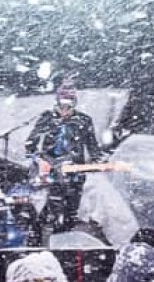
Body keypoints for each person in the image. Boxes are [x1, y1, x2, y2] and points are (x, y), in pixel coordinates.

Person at [25, 81, 103, 232]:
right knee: (53, 203)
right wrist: (39, 159)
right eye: (62, 106)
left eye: (69, 106)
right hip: (52, 168)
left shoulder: (83, 120)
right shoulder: (47, 118)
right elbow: (31, 143)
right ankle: (41, 231)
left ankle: (66, 233)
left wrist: (96, 160)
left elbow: (92, 144)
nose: (65, 110)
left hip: (74, 168)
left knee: (72, 206)